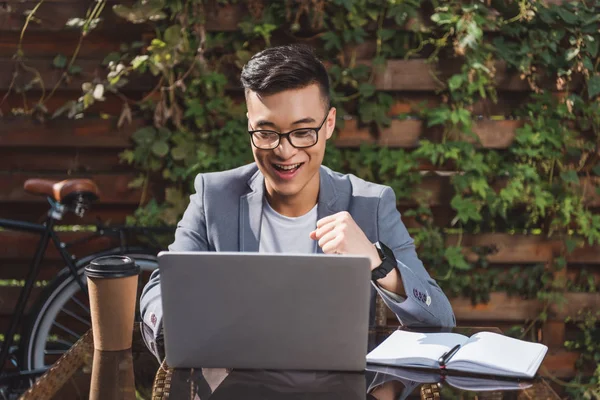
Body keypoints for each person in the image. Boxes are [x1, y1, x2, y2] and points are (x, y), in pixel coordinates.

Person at [140, 44, 455, 361]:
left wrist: (378, 262)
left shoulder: (370, 204)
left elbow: (440, 318)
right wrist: (176, 328)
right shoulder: (214, 195)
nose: (284, 151)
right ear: (250, 125)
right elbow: (159, 290)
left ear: (329, 124)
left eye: (303, 131)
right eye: (266, 132)